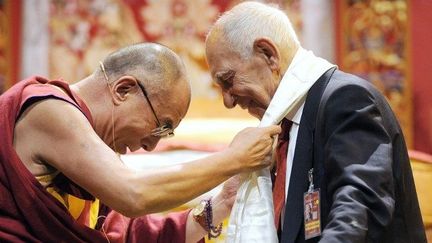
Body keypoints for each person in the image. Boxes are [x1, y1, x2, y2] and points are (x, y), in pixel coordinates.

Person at [0, 42, 281, 242]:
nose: (150, 146)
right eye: (160, 127)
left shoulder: (94, 159)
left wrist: (223, 202)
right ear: (124, 89)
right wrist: (234, 158)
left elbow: (129, 234)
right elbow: (134, 195)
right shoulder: (48, 109)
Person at [205, 2, 426, 243]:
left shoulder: (345, 99)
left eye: (228, 80)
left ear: (268, 54)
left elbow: (360, 204)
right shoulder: (283, 127)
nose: (228, 101)